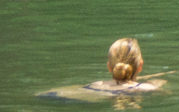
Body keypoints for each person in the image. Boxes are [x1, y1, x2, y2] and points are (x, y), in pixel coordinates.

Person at [37, 38, 166, 101]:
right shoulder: (145, 88)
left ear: (109, 67)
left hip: (71, 95)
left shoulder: (98, 83)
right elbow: (159, 90)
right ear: (140, 66)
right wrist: (157, 83)